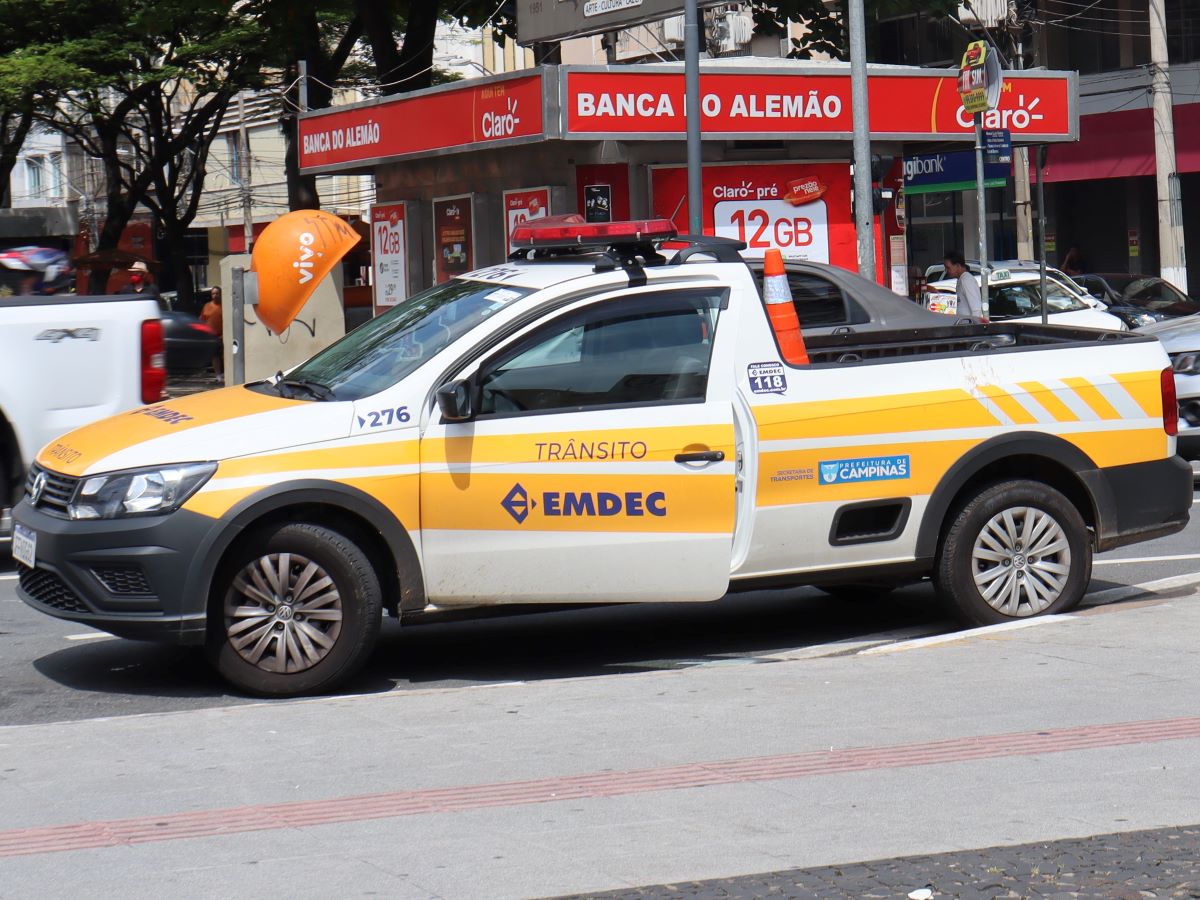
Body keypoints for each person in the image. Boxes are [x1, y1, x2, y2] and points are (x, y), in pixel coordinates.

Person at [943, 250, 985, 321]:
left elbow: (976, 309)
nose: (946, 271)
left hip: (968, 328)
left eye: (948, 268)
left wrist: (973, 328)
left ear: (958, 266)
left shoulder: (967, 280)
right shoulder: (961, 280)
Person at [200, 285, 224, 377]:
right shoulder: (207, 306)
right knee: (215, 355)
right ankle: (218, 375)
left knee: (223, 355)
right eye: (213, 293)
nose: (215, 295)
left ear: (221, 294)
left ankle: (224, 373)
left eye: (217, 293)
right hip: (210, 336)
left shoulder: (224, 306)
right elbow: (202, 319)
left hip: (222, 335)